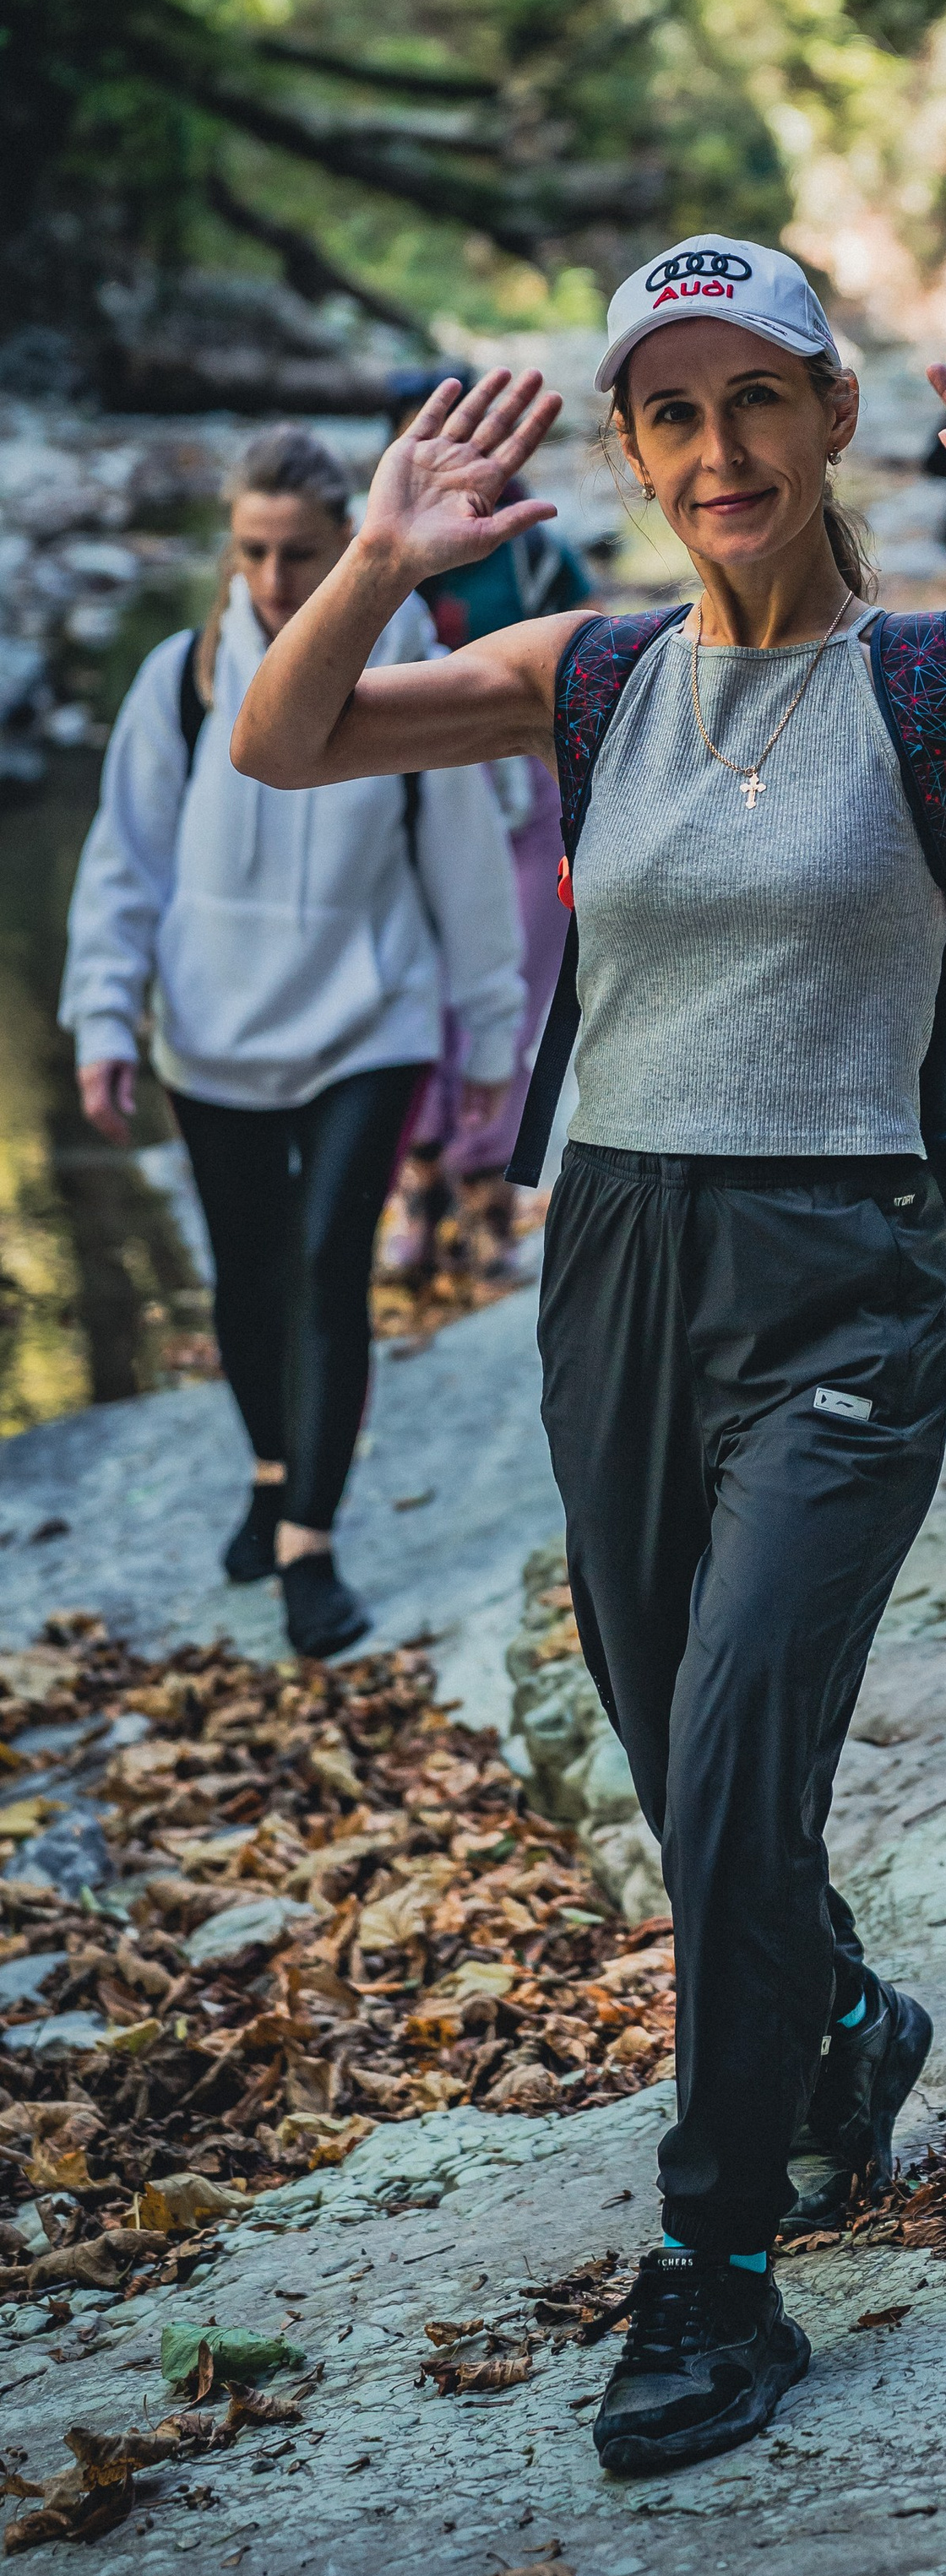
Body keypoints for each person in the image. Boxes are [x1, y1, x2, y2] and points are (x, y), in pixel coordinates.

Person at [227, 235, 946, 2476]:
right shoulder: (587, 672)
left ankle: (713, 2262)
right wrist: (382, 557)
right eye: (673, 414)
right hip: (614, 1259)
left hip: (837, 1277)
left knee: (727, 1766)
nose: (720, 450)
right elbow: (282, 736)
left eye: (756, 401)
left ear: (829, 420)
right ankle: (844, 2020)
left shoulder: (938, 669)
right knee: (670, 1756)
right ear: (633, 450)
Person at [59, 426, 524, 1658]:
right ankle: (272, 1471)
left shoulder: (412, 673)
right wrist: (104, 1013)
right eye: (253, 552)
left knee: (325, 1264)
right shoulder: (179, 681)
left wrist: (491, 1036)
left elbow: (468, 866)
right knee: (247, 1272)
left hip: (368, 1022)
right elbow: (125, 862)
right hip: (209, 1031)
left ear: (350, 546)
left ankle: (310, 1541)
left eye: (301, 553)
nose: (274, 579)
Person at [377, 362, 598, 1282]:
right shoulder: (378, 552)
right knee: (421, 993)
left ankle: (491, 1199)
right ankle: (418, 1189)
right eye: (415, 434)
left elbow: (593, 662)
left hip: (525, 798)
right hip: (413, 800)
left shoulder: (536, 553)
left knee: (513, 995)